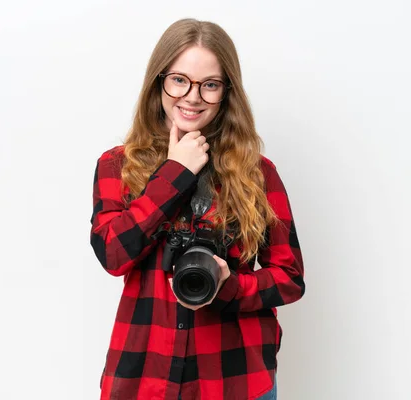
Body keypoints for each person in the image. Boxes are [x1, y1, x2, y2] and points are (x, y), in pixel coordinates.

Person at [90, 18, 305, 400]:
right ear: (159, 82)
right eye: (179, 80)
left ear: (226, 93)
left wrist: (230, 287)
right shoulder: (118, 166)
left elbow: (289, 278)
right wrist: (176, 171)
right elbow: (112, 253)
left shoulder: (257, 173)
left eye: (209, 85)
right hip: (145, 376)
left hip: (235, 378)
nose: (192, 97)